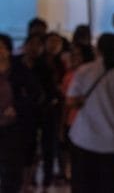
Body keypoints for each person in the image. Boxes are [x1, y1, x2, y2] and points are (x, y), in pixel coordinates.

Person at [67, 34, 114, 193]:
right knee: (109, 186)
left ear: (98, 50)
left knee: (82, 186)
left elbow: (70, 101)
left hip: (84, 139)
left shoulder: (85, 70)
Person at [0, 34, 42, 193]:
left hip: (14, 125)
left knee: (12, 168)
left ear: (8, 50)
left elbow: (35, 93)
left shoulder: (19, 69)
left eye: (1, 47)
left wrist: (17, 106)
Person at [59, 44, 95, 181]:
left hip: (76, 120)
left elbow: (66, 103)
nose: (74, 58)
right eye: (72, 55)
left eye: (77, 55)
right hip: (78, 120)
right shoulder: (72, 75)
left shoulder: (74, 75)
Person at [37, 32, 66, 189]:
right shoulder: (38, 63)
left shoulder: (60, 63)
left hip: (54, 110)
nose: (54, 45)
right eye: (51, 41)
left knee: (51, 145)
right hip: (40, 109)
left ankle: (47, 179)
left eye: (58, 42)